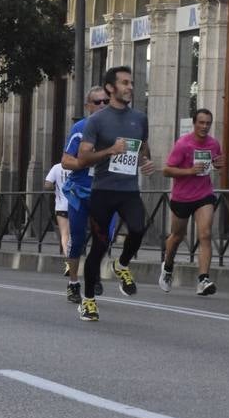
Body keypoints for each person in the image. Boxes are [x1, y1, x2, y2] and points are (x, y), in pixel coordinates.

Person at [72, 66, 155, 322]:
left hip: (128, 189)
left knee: (139, 229)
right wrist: (109, 151)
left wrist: (145, 162)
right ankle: (88, 301)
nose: (130, 87)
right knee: (98, 246)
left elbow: (142, 149)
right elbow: (83, 157)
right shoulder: (97, 120)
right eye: (124, 83)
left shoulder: (139, 118)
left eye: (131, 83)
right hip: (103, 190)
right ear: (110, 88)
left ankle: (122, 265)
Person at [160, 108, 224, 295]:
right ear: (195, 123)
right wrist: (189, 171)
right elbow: (167, 170)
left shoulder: (213, 144)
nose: (205, 127)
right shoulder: (183, 144)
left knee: (205, 234)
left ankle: (203, 279)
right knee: (177, 236)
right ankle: (168, 266)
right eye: (201, 123)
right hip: (182, 197)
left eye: (208, 123)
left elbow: (215, 163)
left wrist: (218, 165)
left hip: (204, 194)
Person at [59, 87, 110, 300]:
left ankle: (94, 274)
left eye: (106, 101)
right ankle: (73, 283)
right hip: (80, 192)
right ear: (88, 106)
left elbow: (135, 154)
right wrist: (86, 161)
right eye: (97, 102)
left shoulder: (116, 130)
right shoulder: (80, 128)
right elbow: (65, 161)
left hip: (105, 192)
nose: (102, 105)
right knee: (78, 238)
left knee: (103, 238)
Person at [44, 160, 71, 267]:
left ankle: (69, 262)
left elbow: (47, 184)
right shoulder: (79, 165)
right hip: (77, 205)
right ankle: (74, 259)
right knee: (75, 234)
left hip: (61, 206)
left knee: (65, 235)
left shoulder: (56, 167)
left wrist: (55, 187)